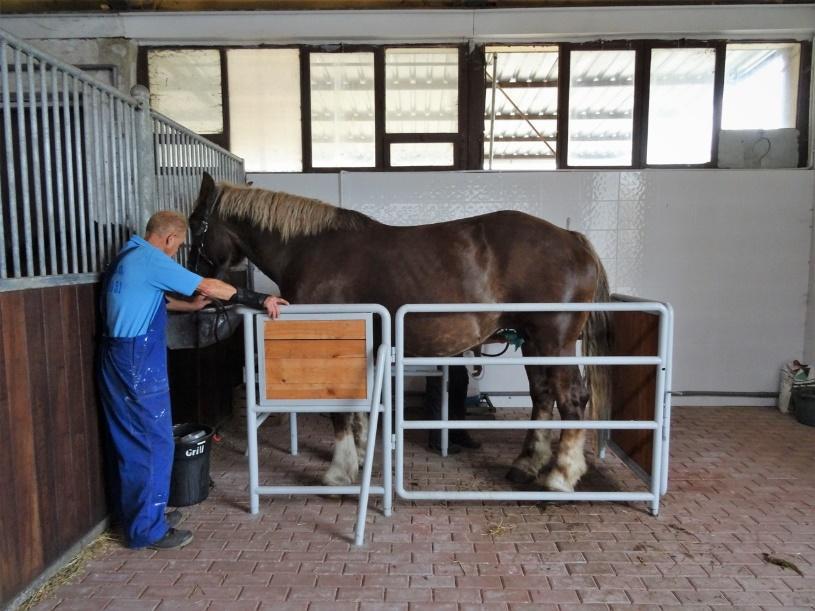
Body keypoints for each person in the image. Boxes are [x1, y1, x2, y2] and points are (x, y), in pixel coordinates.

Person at [98, 210, 288, 550]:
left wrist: (190, 307)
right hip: (137, 363)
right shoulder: (151, 258)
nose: (177, 250)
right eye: (179, 245)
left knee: (133, 440)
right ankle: (147, 531)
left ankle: (145, 516)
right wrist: (261, 299)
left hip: (118, 358)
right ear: (169, 239)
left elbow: (155, 299)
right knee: (153, 442)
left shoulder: (128, 255)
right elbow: (209, 284)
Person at [424, 364, 481, 453]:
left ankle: (456, 432)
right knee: (438, 385)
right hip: (436, 354)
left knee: (460, 378)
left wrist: (477, 360)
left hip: (452, 354)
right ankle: (437, 438)